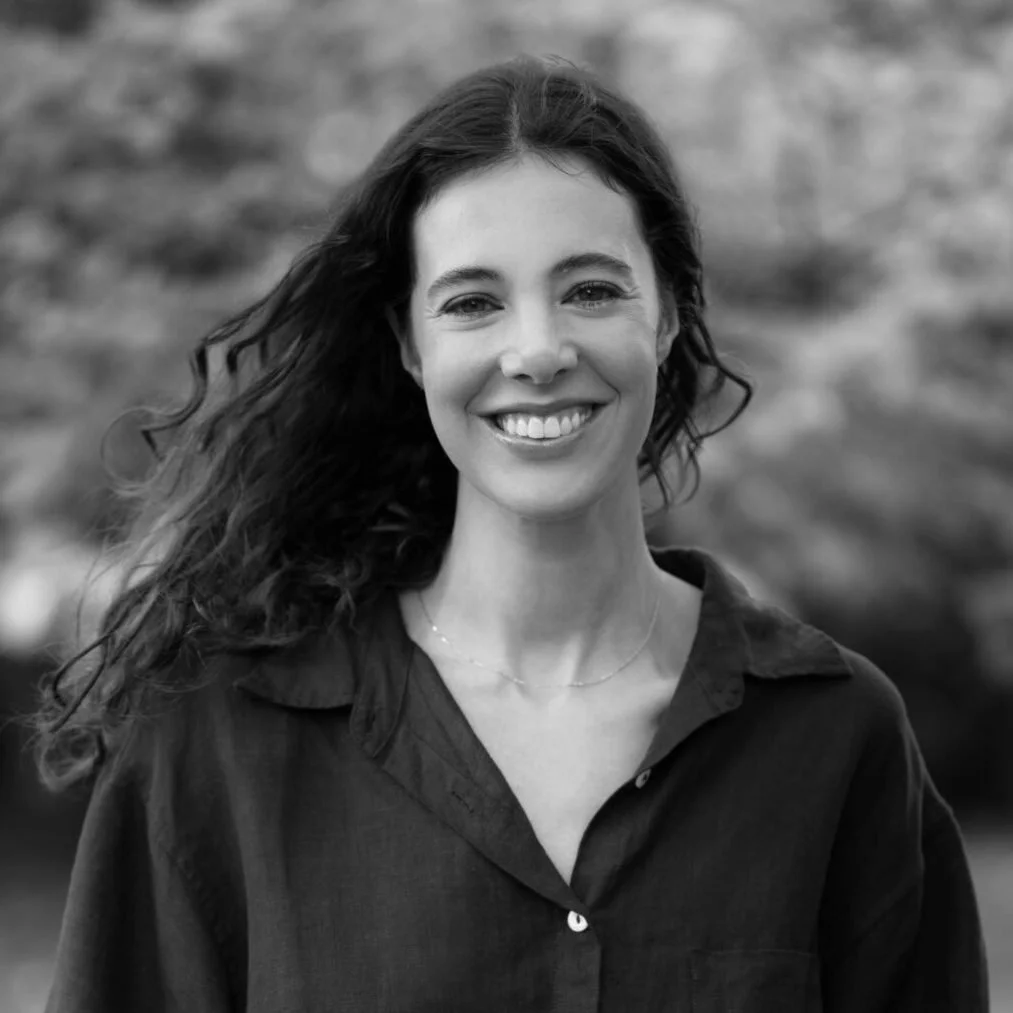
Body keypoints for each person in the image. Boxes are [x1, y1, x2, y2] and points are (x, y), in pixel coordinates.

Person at [35, 55, 987, 1012]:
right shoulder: (217, 746)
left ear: (666, 317)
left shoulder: (832, 736)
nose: (536, 350)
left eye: (590, 290)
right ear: (411, 346)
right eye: (472, 303)